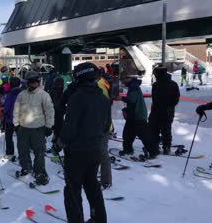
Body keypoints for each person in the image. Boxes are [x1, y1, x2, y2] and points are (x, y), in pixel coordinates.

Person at [52, 63, 110, 223]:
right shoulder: (104, 99)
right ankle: (99, 219)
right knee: (92, 187)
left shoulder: (77, 98)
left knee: (72, 189)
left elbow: (69, 128)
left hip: (77, 152)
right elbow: (106, 126)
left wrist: (58, 145)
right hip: (95, 150)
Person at [13, 71, 54, 185]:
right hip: (23, 128)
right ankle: (26, 167)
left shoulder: (43, 95)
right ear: (28, 83)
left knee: (39, 152)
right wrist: (16, 124)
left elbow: (49, 111)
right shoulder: (22, 95)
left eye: (36, 81)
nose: (34, 84)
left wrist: (48, 126)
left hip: (38, 128)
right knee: (23, 150)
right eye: (31, 82)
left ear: (38, 81)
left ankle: (39, 171)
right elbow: (16, 110)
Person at [120, 74, 157, 158]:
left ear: (128, 78)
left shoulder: (133, 87)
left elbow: (132, 100)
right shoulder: (133, 86)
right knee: (128, 134)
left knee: (143, 135)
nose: (123, 82)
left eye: (123, 80)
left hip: (137, 116)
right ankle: (128, 149)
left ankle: (153, 151)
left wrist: (121, 98)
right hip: (134, 115)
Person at [149, 67, 180, 155]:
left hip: (157, 111)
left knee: (155, 130)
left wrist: (164, 106)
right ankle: (166, 147)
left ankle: (156, 146)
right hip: (168, 112)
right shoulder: (173, 84)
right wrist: (169, 106)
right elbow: (176, 99)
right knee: (166, 130)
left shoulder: (156, 85)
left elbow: (154, 99)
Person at [3, 77, 22, 160]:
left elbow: (6, 106)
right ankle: (22, 154)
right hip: (21, 119)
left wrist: (4, 113)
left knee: (9, 136)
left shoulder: (10, 94)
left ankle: (10, 153)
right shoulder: (23, 93)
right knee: (21, 137)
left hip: (10, 119)